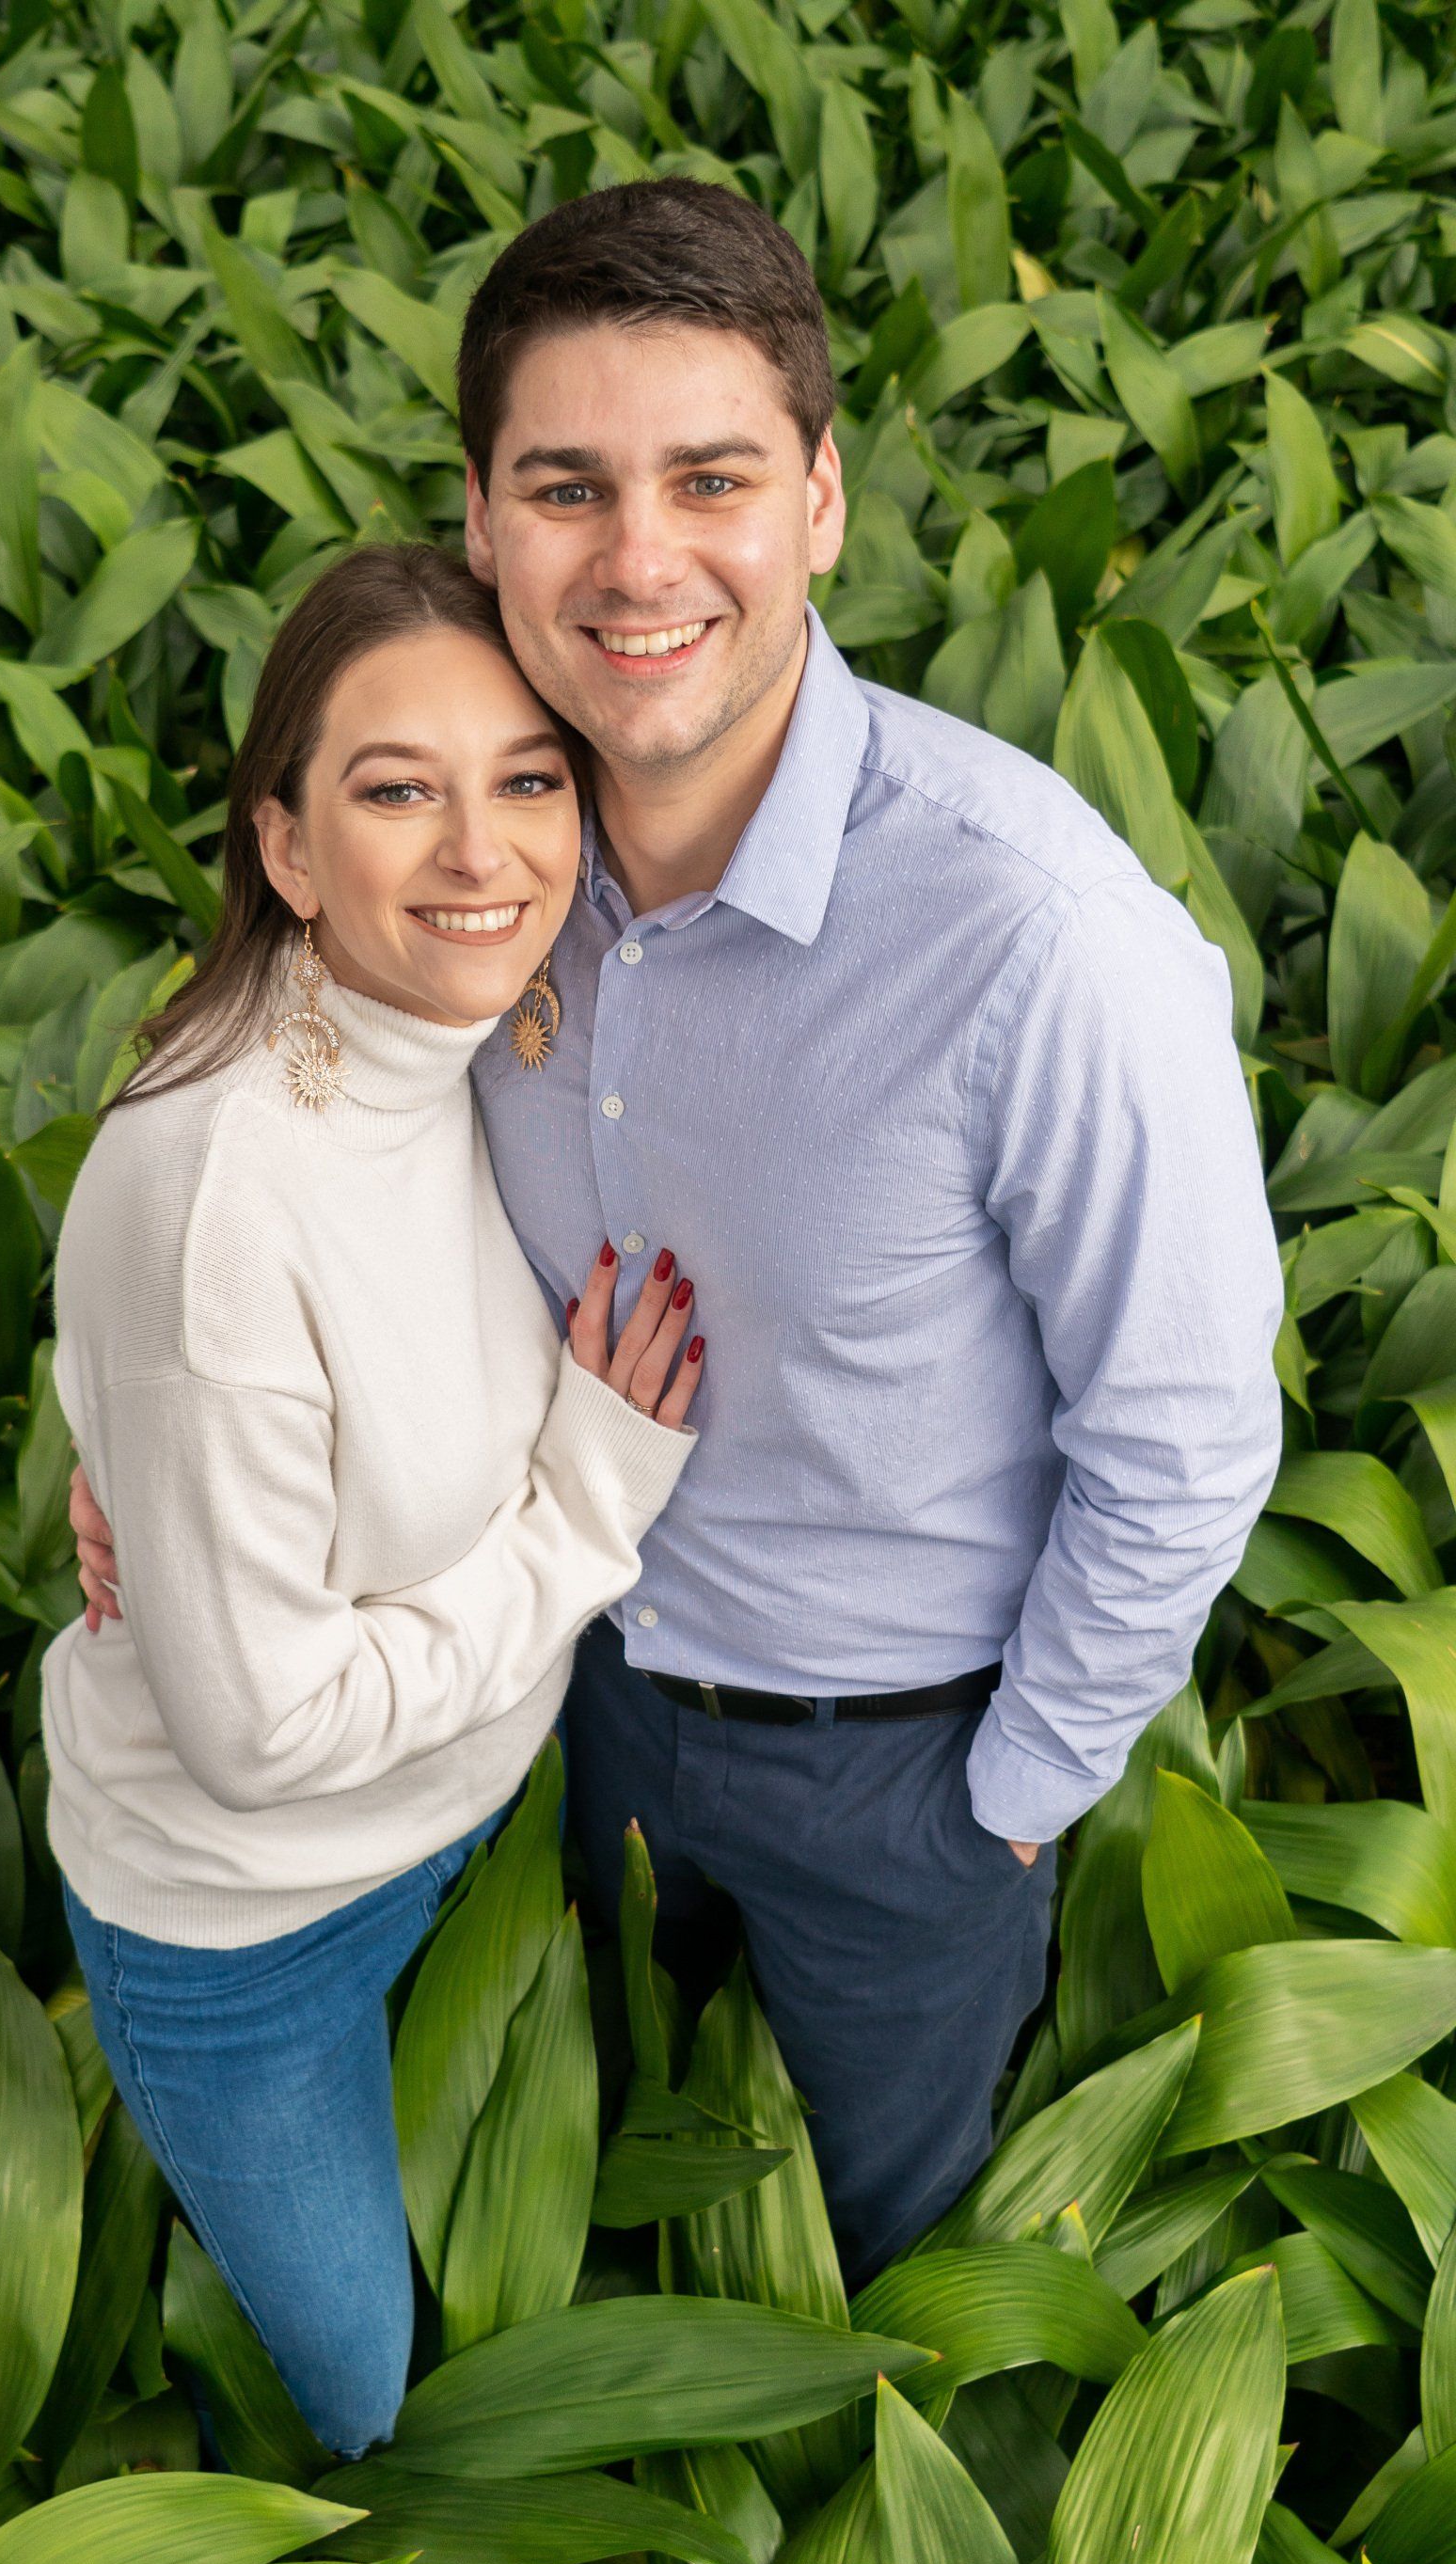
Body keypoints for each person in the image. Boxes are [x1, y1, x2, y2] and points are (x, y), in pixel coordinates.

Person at [73, 179, 1283, 2287]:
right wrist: (162, 1470)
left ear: (819, 499)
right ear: (480, 520)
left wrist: (1006, 1799)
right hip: (567, 1699)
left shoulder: (1043, 940)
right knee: (613, 2157)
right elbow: (288, 1185)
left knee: (888, 2252)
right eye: (567, 486)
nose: (638, 558)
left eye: (708, 478)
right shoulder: (488, 873)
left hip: (896, 1764)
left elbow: (1181, 1437)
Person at [42, 539, 702, 2458]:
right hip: (246, 1923)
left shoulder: (490, 1025)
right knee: (359, 2383)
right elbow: (264, 1738)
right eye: (395, 787)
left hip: (479, 1810)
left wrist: (138, 1484)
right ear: (287, 845)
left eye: (528, 776)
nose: (482, 848)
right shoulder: (221, 1183)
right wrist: (591, 1505)